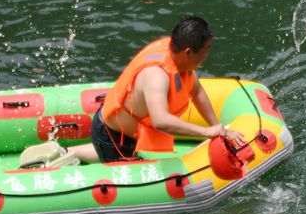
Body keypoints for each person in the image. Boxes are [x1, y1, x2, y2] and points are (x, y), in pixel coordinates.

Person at [52, 16, 242, 166]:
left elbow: (197, 91)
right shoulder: (156, 76)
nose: (208, 54)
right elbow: (161, 120)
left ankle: (68, 153)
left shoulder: (180, 58)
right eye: (207, 49)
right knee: (123, 169)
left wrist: (218, 129)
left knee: (109, 151)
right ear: (188, 52)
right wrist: (206, 131)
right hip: (113, 136)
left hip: (127, 133)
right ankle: (55, 162)